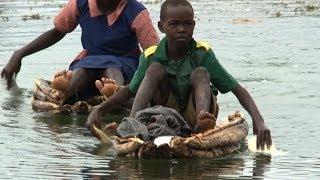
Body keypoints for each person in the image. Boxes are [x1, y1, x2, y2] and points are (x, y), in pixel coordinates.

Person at [86, 0, 272, 150]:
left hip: (196, 113)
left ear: (193, 25)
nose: (182, 29)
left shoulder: (202, 54)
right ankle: (133, 125)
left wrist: (259, 121)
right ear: (161, 26)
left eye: (187, 24)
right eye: (174, 24)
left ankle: (201, 123)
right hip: (161, 114)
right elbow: (130, 90)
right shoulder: (151, 55)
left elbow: (237, 89)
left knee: (200, 73)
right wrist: (99, 109)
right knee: (155, 70)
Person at [1, 0, 159, 104]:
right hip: (90, 60)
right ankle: (65, 93)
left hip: (125, 62)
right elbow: (58, 31)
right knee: (82, 70)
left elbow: (153, 52)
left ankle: (115, 93)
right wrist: (19, 54)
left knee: (111, 68)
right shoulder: (81, 4)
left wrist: (155, 84)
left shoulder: (136, 11)